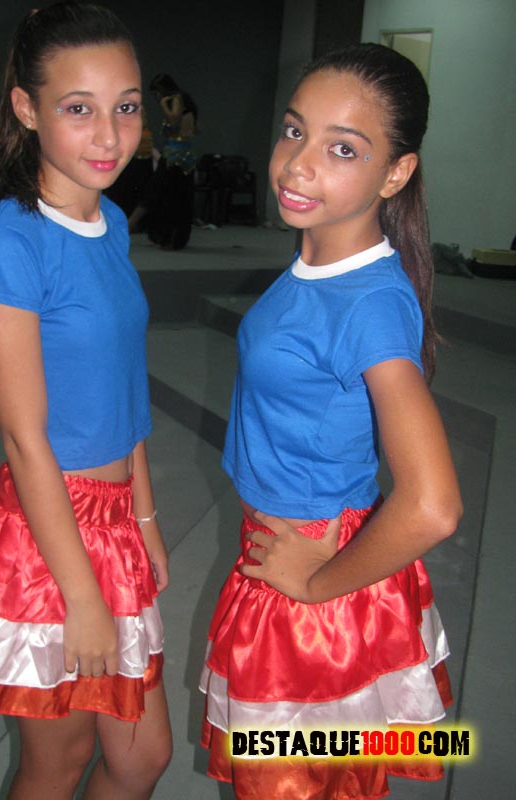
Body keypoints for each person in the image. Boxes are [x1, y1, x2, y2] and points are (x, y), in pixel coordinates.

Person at [200, 43, 463, 799]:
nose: (297, 165)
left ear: (396, 174)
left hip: (312, 580)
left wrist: (316, 587)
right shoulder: (318, 267)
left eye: (342, 149)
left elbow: (433, 504)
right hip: (285, 556)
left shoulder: (368, 302)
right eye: (294, 131)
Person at [0, 3, 172, 798]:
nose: (110, 136)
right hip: (50, 538)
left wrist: (143, 517)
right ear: (27, 108)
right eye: (79, 109)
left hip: (115, 521)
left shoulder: (111, 223)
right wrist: (81, 595)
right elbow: (23, 438)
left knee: (140, 758)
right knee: (60, 762)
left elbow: (125, 390)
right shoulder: (11, 242)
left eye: (126, 107)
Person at [146, 73, 197, 250]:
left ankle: (169, 236)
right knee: (178, 196)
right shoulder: (187, 102)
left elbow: (174, 120)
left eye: (156, 94)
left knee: (168, 195)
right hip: (185, 153)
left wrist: (163, 105)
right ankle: (173, 237)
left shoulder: (176, 99)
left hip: (175, 155)